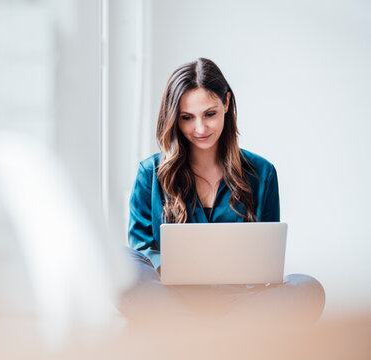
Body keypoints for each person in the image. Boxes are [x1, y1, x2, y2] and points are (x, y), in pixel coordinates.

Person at [118, 58, 325, 326]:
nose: (200, 129)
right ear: (174, 118)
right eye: (187, 118)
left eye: (210, 114)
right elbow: (142, 251)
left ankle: (196, 333)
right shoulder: (151, 173)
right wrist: (173, 269)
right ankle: (215, 335)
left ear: (226, 103)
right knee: (121, 262)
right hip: (172, 299)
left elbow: (268, 260)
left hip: (240, 303)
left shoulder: (262, 173)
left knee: (307, 288)